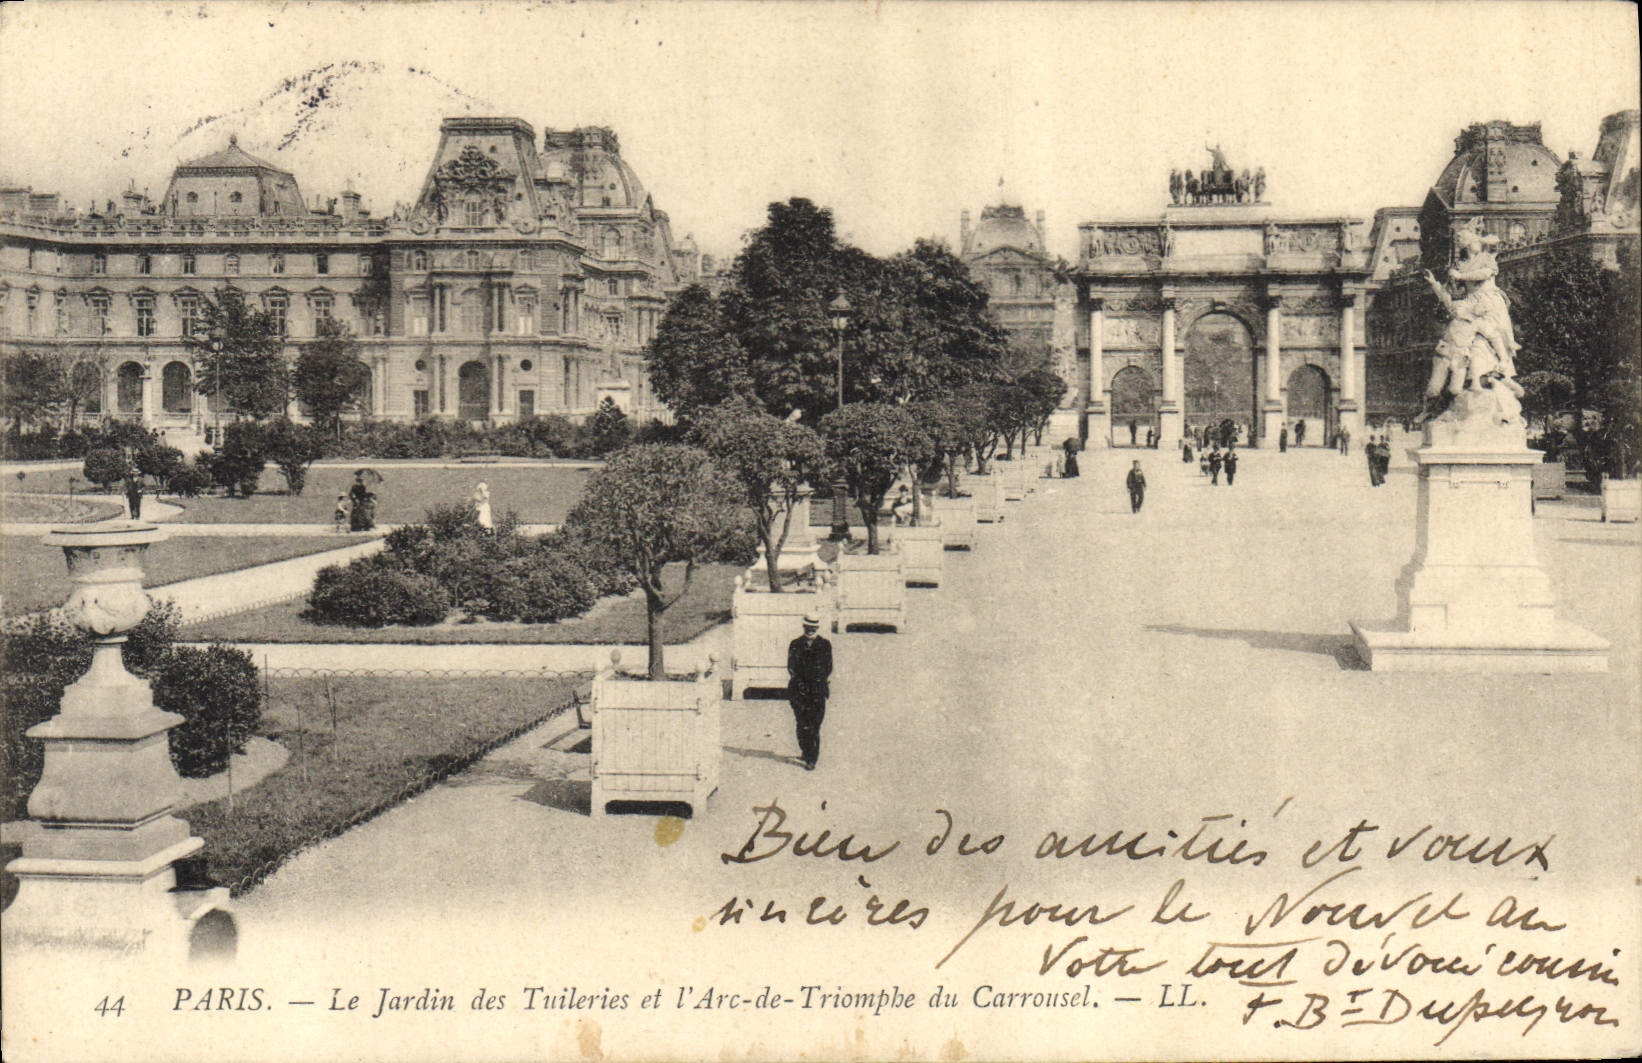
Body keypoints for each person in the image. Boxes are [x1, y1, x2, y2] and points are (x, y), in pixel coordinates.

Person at [786, 613, 833, 771]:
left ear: (817, 628)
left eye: (813, 628)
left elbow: (828, 667)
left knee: (814, 725)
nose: (810, 631)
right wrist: (800, 683)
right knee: (801, 724)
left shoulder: (825, 645)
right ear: (803, 627)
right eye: (808, 627)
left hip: (817, 691)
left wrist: (815, 681)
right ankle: (805, 751)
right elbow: (791, 666)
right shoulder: (795, 644)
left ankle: (812, 758)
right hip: (799, 691)